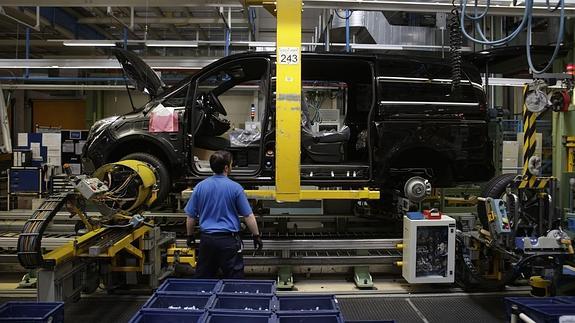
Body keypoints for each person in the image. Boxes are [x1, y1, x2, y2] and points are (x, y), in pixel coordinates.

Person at [184, 150, 263, 278]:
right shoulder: (235, 188)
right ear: (226, 168)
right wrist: (256, 235)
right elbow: (248, 216)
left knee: (203, 279)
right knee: (234, 280)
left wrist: (189, 236)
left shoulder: (200, 187)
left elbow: (191, 216)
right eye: (231, 164)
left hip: (207, 241)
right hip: (229, 242)